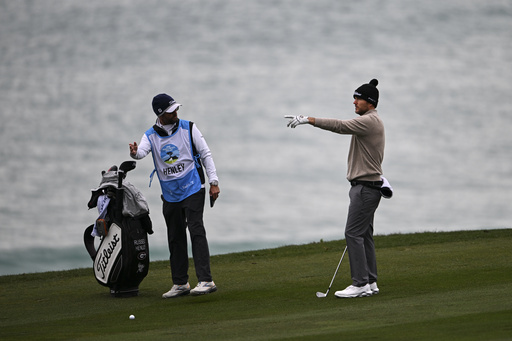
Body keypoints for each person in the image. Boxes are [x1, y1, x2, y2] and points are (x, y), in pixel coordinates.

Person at [285, 79, 385, 298]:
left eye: (358, 98)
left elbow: (340, 126)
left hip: (365, 189)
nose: (354, 102)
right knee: (364, 234)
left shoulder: (369, 121)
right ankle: (370, 282)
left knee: (353, 233)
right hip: (370, 186)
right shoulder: (372, 121)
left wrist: (308, 120)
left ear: (369, 102)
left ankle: (359, 284)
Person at [129, 93, 220, 298]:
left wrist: (214, 182)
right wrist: (134, 153)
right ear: (161, 114)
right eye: (171, 111)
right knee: (175, 237)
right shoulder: (150, 135)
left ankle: (206, 280)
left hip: (193, 187)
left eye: (176, 109)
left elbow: (206, 154)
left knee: (196, 230)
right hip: (170, 194)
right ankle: (180, 283)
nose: (175, 113)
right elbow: (141, 152)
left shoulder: (189, 127)